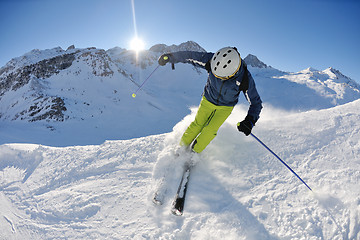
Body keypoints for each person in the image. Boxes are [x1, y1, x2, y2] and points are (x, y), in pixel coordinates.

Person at [158, 47, 263, 154]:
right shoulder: (212, 60)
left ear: (232, 73)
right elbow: (190, 56)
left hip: (225, 107)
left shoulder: (245, 78)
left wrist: (250, 121)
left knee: (210, 130)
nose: (219, 78)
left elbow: (256, 103)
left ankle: (192, 155)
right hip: (208, 99)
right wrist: (171, 57)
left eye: (222, 77)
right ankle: (180, 150)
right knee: (197, 125)